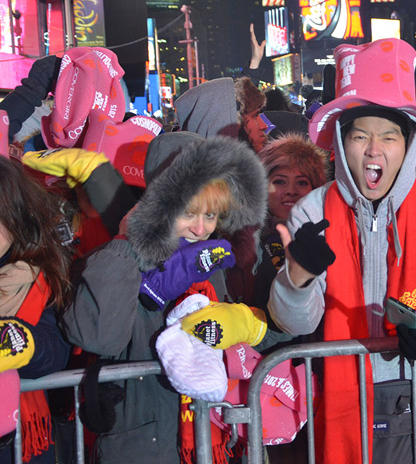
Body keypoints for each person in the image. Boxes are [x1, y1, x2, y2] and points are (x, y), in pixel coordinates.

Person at [267, 38, 416, 463]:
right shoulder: (312, 208)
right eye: (360, 136)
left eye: (389, 137)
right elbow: (293, 322)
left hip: (412, 396)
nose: (374, 150)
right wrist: (298, 278)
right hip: (331, 399)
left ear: (409, 143)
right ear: (342, 144)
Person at [61, 133, 267, 463]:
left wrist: (250, 323)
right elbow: (98, 336)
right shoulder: (115, 258)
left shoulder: (211, 263)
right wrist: (126, 244)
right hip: (141, 443)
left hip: (206, 437)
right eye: (189, 212)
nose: (200, 229)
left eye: (211, 216)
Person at [0, 156, 71, 464]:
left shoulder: (38, 277)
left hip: (19, 440)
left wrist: (23, 344)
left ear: (14, 219)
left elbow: (55, 351)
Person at [253, 133, 331, 314]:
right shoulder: (243, 238)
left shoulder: (330, 234)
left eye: (302, 182)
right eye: (279, 181)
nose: (290, 191)